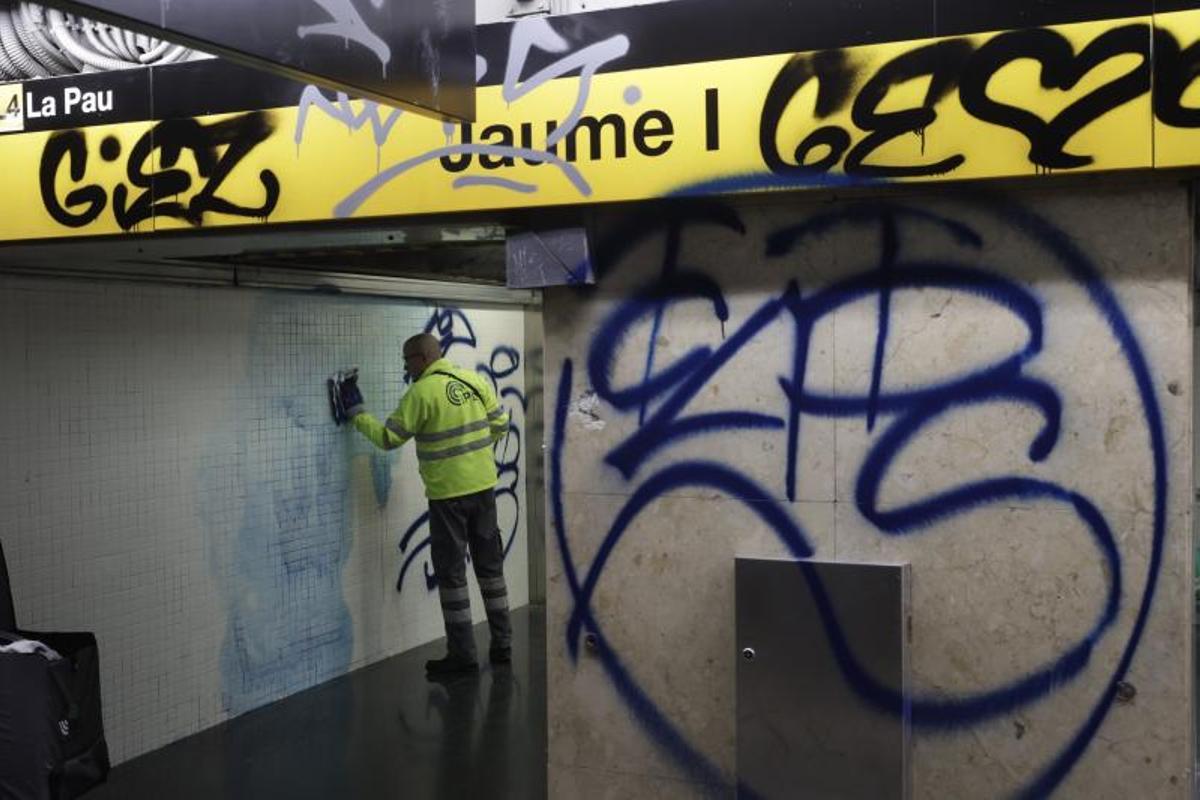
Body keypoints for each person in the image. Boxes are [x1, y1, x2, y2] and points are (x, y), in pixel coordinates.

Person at [341, 333, 512, 676]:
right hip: (484, 490)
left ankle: (462, 657)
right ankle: (503, 645)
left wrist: (356, 412)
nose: (406, 368)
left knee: (451, 577)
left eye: (407, 361)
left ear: (420, 358)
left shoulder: (420, 393)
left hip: (447, 497)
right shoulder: (474, 380)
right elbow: (500, 425)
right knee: (491, 572)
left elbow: (389, 439)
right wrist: (475, 455)